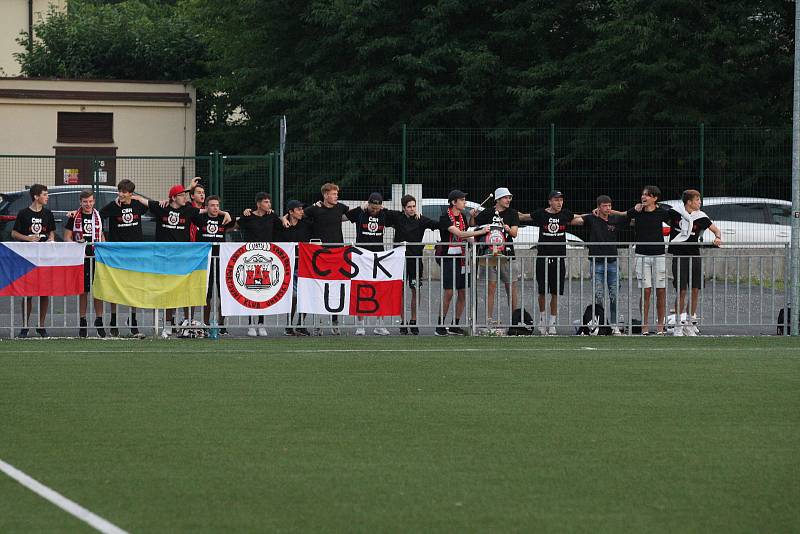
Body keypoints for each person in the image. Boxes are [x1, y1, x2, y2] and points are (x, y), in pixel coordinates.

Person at [141, 178, 230, 337]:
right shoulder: (163, 208)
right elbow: (143, 201)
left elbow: (208, 211)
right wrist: (129, 197)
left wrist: (224, 212)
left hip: (184, 257)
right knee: (169, 292)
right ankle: (168, 324)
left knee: (186, 291)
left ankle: (187, 323)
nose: (185, 197)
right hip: (166, 258)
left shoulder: (188, 210)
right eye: (182, 195)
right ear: (174, 197)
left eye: (186, 195)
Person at [525, 190, 583, 335]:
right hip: (543, 257)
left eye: (561, 200)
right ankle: (543, 319)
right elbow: (524, 217)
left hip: (559, 258)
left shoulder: (565, 214)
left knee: (556, 292)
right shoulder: (541, 214)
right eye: (556, 200)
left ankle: (552, 322)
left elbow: (580, 219)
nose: (559, 203)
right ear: (550, 201)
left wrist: (595, 214)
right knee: (542, 291)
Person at [667, 189, 722, 336]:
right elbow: (657, 217)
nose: (700, 203)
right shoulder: (675, 212)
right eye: (697, 200)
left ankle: (690, 323)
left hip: (694, 256)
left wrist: (717, 237)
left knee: (695, 289)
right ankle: (678, 324)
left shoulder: (701, 216)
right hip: (679, 256)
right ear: (689, 202)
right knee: (681, 290)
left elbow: (716, 230)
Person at [98, 179, 148, 337]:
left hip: (135, 252)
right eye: (119, 191)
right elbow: (97, 217)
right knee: (116, 286)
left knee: (134, 286)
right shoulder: (113, 206)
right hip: (117, 252)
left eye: (124, 192)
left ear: (130, 193)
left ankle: (133, 319)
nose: (121, 194)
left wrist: (141, 199)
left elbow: (157, 207)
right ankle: (113, 319)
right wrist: (102, 237)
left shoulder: (138, 205)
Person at [436, 190, 489, 336]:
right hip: (448, 258)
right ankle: (440, 325)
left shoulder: (463, 216)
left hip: (462, 258)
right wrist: (481, 232)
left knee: (463, 292)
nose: (464, 202)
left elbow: (465, 236)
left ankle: (455, 324)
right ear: (454, 202)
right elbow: (459, 233)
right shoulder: (445, 217)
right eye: (462, 200)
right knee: (449, 292)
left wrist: (479, 243)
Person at [303, 182, 351, 335]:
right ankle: (319, 321)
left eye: (337, 193)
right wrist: (284, 217)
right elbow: (297, 215)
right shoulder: (314, 209)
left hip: (338, 254)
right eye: (333, 193)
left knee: (336, 287)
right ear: (325, 195)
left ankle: (335, 320)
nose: (336, 196)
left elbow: (357, 213)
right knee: (319, 287)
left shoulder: (341, 208)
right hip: (320, 254)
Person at [387, 194, 439, 335]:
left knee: (415, 289)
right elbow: (380, 211)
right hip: (400, 260)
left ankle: (414, 321)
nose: (412, 209)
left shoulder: (421, 219)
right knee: (401, 291)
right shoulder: (397, 217)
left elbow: (437, 224)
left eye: (414, 206)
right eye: (409, 207)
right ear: (404, 208)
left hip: (415, 260)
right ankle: (403, 322)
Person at [469, 187, 520, 327]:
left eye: (509, 197)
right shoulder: (487, 212)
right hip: (488, 255)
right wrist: (472, 215)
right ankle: (489, 320)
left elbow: (515, 233)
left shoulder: (512, 213)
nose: (508, 200)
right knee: (490, 287)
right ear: (497, 199)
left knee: (511, 287)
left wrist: (509, 229)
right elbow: (473, 224)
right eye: (505, 197)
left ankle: (515, 320)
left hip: (507, 254)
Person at [625, 185, 673, 335]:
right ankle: (644, 325)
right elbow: (621, 215)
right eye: (643, 194)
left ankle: (660, 325)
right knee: (645, 291)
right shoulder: (637, 212)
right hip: (641, 255)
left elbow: (678, 218)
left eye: (647, 195)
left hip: (659, 255)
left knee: (661, 291)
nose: (644, 197)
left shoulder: (662, 212)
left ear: (655, 198)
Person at [11, 184, 55, 338]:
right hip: (27, 259)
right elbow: (14, 233)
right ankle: (25, 326)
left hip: (43, 258)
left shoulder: (48, 213)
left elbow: (51, 232)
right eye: (45, 194)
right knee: (27, 294)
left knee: (44, 293)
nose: (47, 197)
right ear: (36, 197)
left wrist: (51, 239)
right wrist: (28, 239)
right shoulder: (23, 214)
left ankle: (41, 326)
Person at [580, 195, 627, 335]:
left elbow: (626, 215)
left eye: (610, 206)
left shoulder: (614, 218)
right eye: (605, 206)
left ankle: (614, 325)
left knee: (614, 296)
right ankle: (600, 324)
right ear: (599, 207)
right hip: (596, 262)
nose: (608, 208)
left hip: (612, 262)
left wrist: (613, 212)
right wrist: (591, 212)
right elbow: (576, 218)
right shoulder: (591, 218)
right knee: (598, 296)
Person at [346, 192, 391, 335]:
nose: (375, 211)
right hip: (361, 257)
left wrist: (416, 215)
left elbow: (403, 217)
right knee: (361, 289)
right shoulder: (360, 213)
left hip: (378, 257)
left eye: (377, 208)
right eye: (373, 208)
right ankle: (360, 325)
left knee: (380, 289)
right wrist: (359, 208)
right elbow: (339, 217)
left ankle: (380, 324)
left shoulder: (385, 214)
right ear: (368, 204)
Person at [237, 191, 280, 337]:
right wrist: (244, 213)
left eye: (269, 202)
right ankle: (250, 324)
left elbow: (282, 226)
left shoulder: (272, 216)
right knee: (251, 291)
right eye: (266, 202)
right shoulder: (248, 216)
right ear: (258, 204)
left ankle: (261, 323)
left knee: (264, 291)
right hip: (250, 258)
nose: (269, 204)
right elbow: (235, 226)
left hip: (267, 258)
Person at [64, 190, 106, 338]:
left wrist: (103, 246)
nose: (88, 204)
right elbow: (67, 237)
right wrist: (76, 243)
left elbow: (101, 234)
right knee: (83, 291)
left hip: (96, 256)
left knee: (98, 290)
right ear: (80, 202)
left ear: (94, 201)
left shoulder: (98, 216)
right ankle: (82, 321)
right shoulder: (74, 216)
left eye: (90, 201)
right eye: (85, 202)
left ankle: (99, 320)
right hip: (81, 258)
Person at [192, 195, 235, 332]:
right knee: (207, 294)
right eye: (212, 205)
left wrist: (225, 213)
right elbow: (190, 212)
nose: (215, 208)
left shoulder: (224, 219)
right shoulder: (201, 219)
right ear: (206, 207)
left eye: (217, 205)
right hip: (206, 261)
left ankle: (222, 325)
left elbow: (235, 221)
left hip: (221, 260)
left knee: (223, 293)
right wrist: (204, 211)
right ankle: (205, 324)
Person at [275, 199, 313, 336]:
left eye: (302, 209)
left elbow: (316, 215)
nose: (302, 211)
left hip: (304, 265)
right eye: (298, 209)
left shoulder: (306, 224)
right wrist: (283, 218)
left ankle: (301, 324)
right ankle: (288, 325)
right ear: (291, 211)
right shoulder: (282, 225)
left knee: (307, 295)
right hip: (287, 266)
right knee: (293, 297)